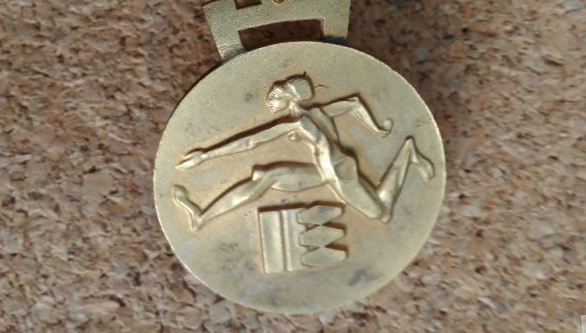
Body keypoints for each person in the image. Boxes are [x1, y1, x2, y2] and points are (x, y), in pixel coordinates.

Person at [173, 75, 434, 230]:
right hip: (328, 170)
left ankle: (409, 152)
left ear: (291, 98)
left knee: (382, 214)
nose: (270, 98)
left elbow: (250, 141)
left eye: (276, 94)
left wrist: (206, 155)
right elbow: (354, 103)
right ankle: (202, 216)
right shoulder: (319, 112)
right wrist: (377, 128)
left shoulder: (298, 122)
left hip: (337, 173)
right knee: (267, 177)